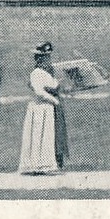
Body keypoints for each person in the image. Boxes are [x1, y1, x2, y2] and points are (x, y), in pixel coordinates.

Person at [18, 42, 67, 174]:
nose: (47, 60)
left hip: (48, 108)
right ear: (38, 58)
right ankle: (38, 165)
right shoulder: (36, 73)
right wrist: (54, 100)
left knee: (48, 136)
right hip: (40, 107)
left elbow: (53, 85)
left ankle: (47, 164)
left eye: (48, 57)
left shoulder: (47, 72)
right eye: (44, 57)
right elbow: (39, 92)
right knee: (39, 135)